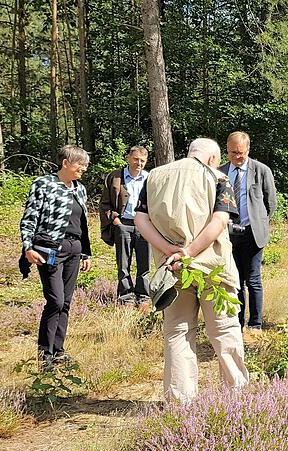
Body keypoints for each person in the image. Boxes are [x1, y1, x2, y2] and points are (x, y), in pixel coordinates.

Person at [134, 138, 249, 403]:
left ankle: (180, 402)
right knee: (224, 330)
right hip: (213, 268)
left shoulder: (154, 176)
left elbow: (140, 218)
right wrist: (189, 251)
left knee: (177, 332)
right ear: (212, 159)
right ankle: (237, 397)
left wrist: (169, 250)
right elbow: (221, 219)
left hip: (171, 269)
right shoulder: (218, 178)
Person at [20, 145, 93, 370]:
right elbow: (29, 218)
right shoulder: (44, 184)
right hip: (50, 249)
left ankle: (58, 351)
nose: (84, 168)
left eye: (85, 165)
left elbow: (82, 224)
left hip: (74, 249)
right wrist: (28, 248)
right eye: (80, 164)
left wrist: (85, 253)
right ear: (66, 163)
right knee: (56, 301)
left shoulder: (80, 189)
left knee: (66, 302)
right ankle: (45, 356)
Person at [219, 131, 277, 338]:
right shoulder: (220, 172)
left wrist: (257, 221)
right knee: (234, 279)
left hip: (253, 233)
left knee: (253, 279)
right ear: (227, 150)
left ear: (248, 150)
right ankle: (237, 321)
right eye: (233, 153)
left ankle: (255, 323)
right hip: (227, 234)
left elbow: (270, 203)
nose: (237, 157)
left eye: (241, 153)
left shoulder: (261, 170)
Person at [99, 145, 152, 308]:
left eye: (142, 160)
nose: (139, 163)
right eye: (136, 159)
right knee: (123, 264)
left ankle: (143, 297)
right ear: (128, 157)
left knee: (145, 264)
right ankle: (126, 297)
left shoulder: (150, 178)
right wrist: (115, 220)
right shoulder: (115, 177)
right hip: (123, 224)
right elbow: (104, 202)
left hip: (145, 226)